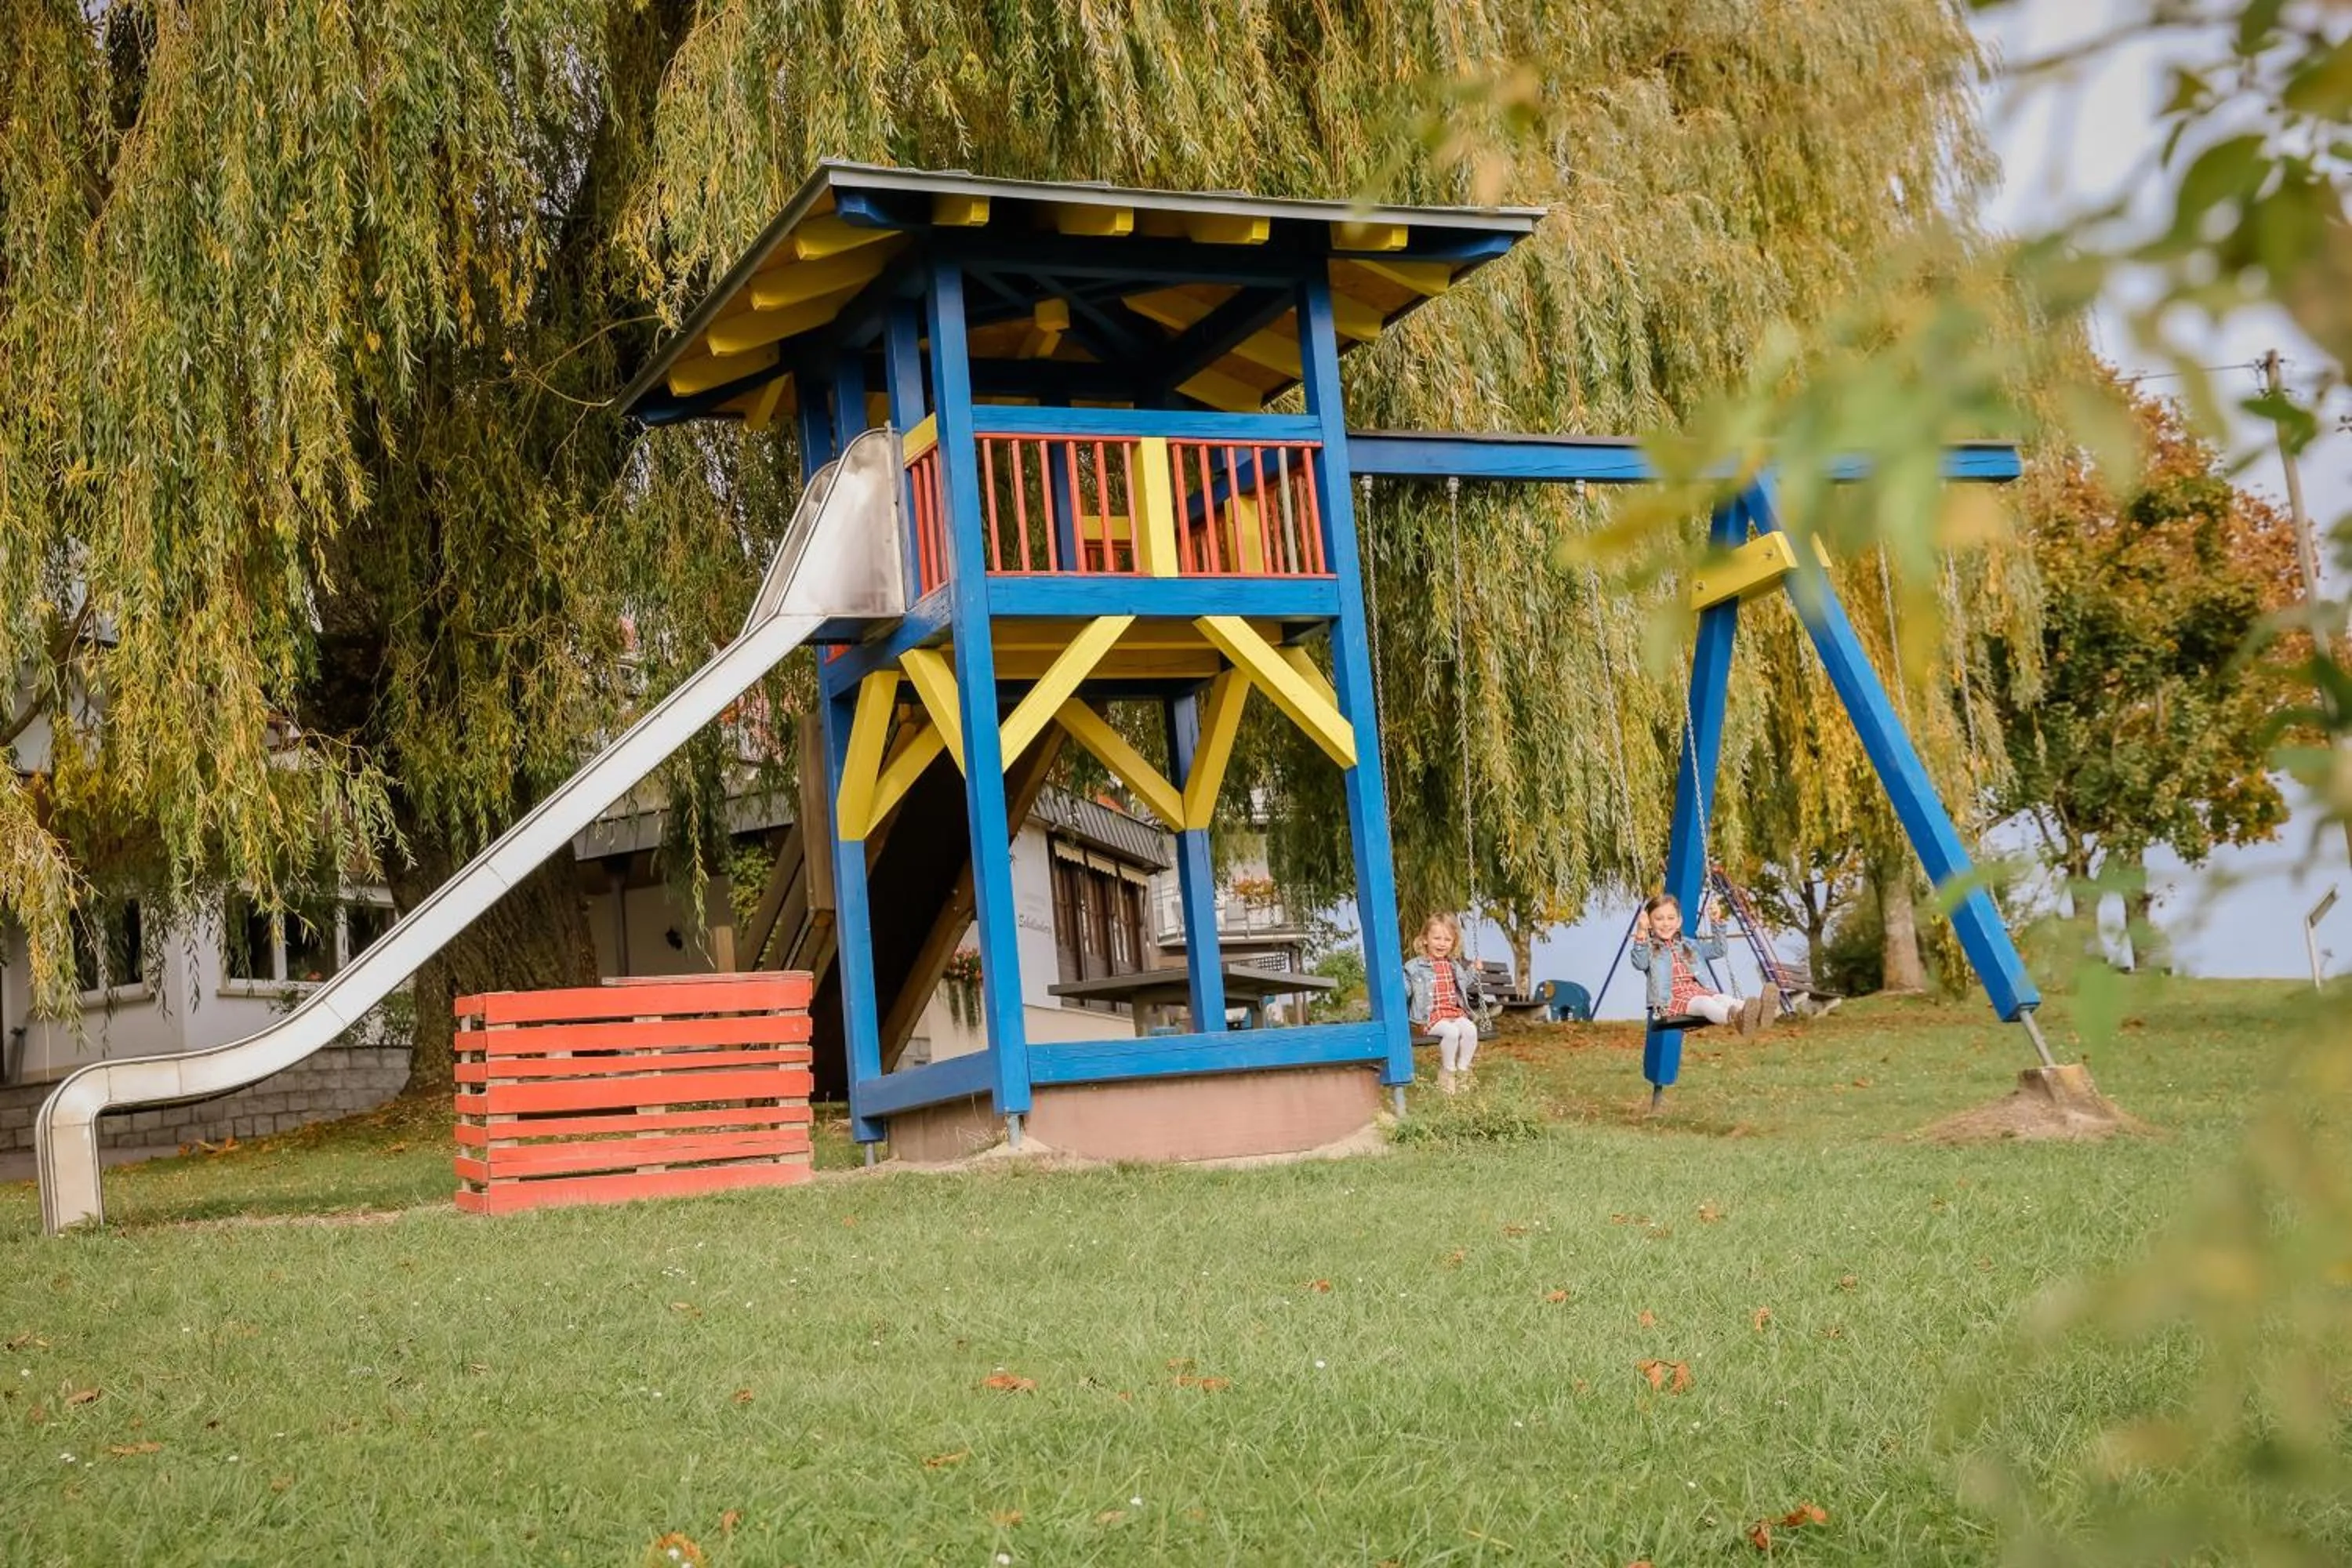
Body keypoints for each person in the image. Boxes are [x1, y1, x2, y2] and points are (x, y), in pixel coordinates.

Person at [1629, 893, 1765, 1035]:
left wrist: (1716, 921)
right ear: (1650, 923)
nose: (1666, 923)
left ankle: (1759, 1011)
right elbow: (1639, 963)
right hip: (1672, 1001)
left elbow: (1719, 950)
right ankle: (1736, 1018)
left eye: (1671, 918)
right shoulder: (1650, 950)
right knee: (1704, 1003)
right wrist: (1641, 932)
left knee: (1723, 999)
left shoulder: (1690, 945)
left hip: (1699, 991)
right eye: (1659, 919)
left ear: (1679, 921)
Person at [1405, 913, 1484, 1094]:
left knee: (1471, 1030)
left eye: (1447, 940)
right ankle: (1448, 1071)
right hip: (1430, 1017)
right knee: (1452, 1033)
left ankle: (1464, 1069)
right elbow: (1406, 988)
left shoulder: (1453, 965)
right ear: (1425, 940)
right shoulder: (1415, 966)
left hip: (1453, 1013)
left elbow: (1463, 982)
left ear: (1453, 943)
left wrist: (1473, 970)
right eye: (1437, 938)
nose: (1442, 943)